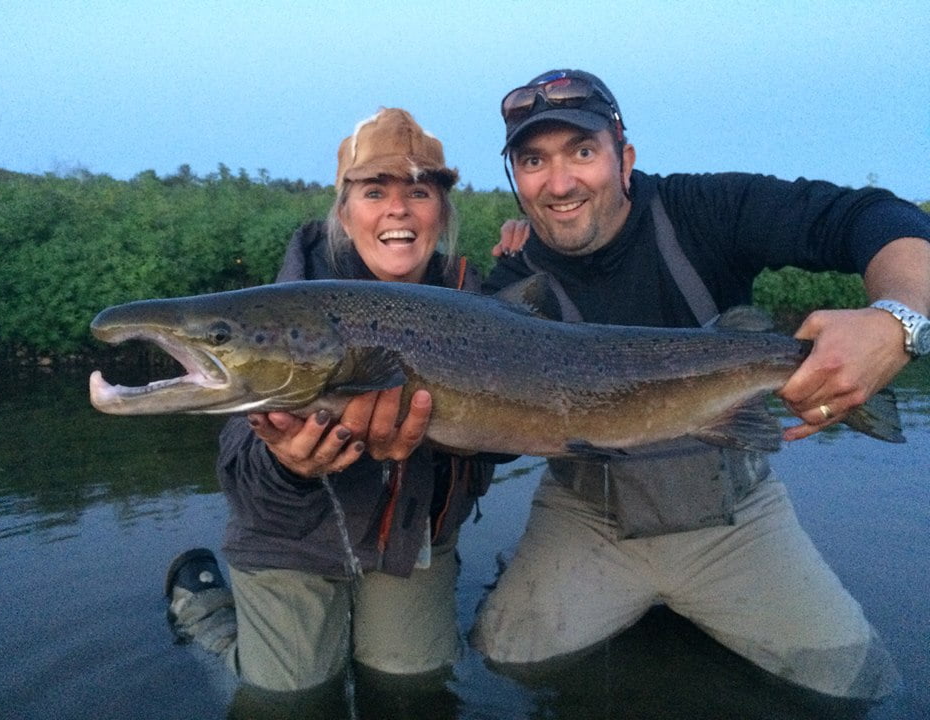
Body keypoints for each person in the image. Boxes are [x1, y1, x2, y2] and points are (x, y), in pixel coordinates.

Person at [470, 68, 930, 703]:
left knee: (858, 685)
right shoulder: (505, 292)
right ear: (516, 180)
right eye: (533, 160)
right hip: (588, 519)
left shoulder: (706, 210)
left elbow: (869, 215)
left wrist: (897, 320)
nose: (560, 182)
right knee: (502, 661)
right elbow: (490, 441)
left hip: (735, 515)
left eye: (582, 151)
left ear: (623, 157)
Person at [164, 108, 499, 694]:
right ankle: (205, 614)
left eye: (418, 192)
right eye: (374, 191)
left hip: (407, 540)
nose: (398, 208)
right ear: (344, 213)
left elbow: (509, 445)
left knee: (411, 685)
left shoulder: (479, 305)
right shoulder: (279, 314)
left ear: (441, 213)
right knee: (288, 696)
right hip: (292, 541)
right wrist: (289, 464)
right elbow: (245, 485)